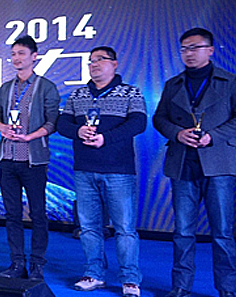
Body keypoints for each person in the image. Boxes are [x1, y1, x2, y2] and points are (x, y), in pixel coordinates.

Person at [154, 28, 236, 297]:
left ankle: (227, 289)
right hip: (183, 163)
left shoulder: (229, 81)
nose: (189, 53)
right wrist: (177, 133)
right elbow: (159, 118)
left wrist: (213, 136)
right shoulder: (173, 84)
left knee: (222, 232)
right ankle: (181, 286)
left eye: (195, 47)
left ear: (210, 50)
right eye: (184, 49)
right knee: (183, 232)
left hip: (218, 163)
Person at [56, 46, 147, 297]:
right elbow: (62, 123)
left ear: (114, 64)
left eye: (100, 60)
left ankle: (130, 279)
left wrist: (106, 138)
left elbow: (138, 123)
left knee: (124, 228)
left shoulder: (130, 92)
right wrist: (78, 131)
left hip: (119, 170)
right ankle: (94, 273)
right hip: (84, 169)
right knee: (88, 226)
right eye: (91, 61)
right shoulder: (77, 94)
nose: (94, 64)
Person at [0, 35, 60, 281]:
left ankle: (37, 264)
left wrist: (30, 136)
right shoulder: (6, 88)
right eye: (13, 54)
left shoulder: (46, 86)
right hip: (8, 158)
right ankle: (17, 262)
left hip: (34, 160)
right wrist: (2, 128)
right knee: (12, 214)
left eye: (21, 53)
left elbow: (53, 122)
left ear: (34, 56)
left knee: (38, 213)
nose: (16, 58)